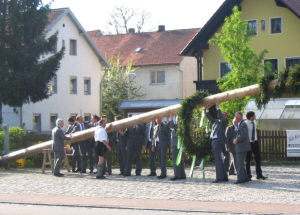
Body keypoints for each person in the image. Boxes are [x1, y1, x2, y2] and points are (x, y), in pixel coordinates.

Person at [205, 101, 228, 183]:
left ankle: (219, 177)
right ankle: (224, 176)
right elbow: (209, 117)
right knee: (219, 160)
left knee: (217, 159)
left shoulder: (224, 122)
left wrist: (217, 107)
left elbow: (221, 116)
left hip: (219, 141)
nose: (223, 116)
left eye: (225, 115)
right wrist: (207, 109)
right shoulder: (215, 122)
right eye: (223, 114)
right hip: (214, 140)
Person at [245, 111, 268, 180]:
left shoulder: (254, 122)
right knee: (248, 159)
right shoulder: (246, 124)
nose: (255, 116)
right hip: (248, 142)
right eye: (254, 115)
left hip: (254, 141)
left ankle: (259, 174)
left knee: (258, 158)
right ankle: (248, 174)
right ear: (251, 116)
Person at [233, 112, 251, 184]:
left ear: (240, 118)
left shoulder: (243, 124)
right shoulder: (240, 124)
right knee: (240, 163)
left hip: (242, 146)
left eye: (237, 117)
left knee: (239, 163)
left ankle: (240, 178)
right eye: (236, 117)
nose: (236, 118)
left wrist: (237, 139)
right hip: (240, 146)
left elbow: (244, 135)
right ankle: (245, 177)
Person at [168, 115, 186, 181]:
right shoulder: (179, 126)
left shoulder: (178, 126)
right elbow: (170, 125)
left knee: (176, 160)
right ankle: (182, 174)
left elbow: (173, 125)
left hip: (176, 144)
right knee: (180, 160)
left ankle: (177, 175)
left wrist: (171, 117)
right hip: (177, 144)